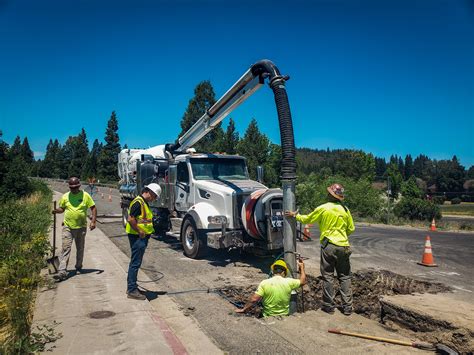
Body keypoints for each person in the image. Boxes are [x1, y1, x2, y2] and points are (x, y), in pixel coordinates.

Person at [285, 183, 355, 316]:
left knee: (328, 275)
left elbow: (308, 219)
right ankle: (347, 308)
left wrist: (295, 215)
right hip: (344, 246)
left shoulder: (324, 208)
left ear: (330, 194)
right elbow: (351, 229)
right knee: (345, 276)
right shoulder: (345, 210)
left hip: (329, 245)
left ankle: (329, 306)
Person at [52, 177, 97, 281]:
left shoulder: (85, 195)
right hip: (68, 226)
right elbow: (62, 209)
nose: (74, 189)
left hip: (81, 227)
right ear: (69, 187)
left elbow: (93, 208)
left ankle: (78, 266)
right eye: (72, 187)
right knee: (66, 248)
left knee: (80, 248)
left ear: (79, 186)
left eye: (75, 187)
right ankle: (62, 271)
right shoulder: (65, 197)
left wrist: (93, 221)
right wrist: (56, 211)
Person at [125, 183, 161, 300]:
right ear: (149, 192)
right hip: (137, 237)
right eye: (155, 196)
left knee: (136, 262)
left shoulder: (143, 202)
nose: (154, 199)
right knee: (135, 263)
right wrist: (140, 231)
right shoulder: (138, 202)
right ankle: (131, 290)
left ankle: (133, 287)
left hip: (140, 237)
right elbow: (131, 219)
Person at [235, 258, 306, 317]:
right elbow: (302, 281)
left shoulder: (264, 283)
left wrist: (244, 309)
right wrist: (302, 268)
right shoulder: (289, 282)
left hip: (268, 316)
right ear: (284, 272)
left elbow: (254, 299)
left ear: (273, 271)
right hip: (284, 315)